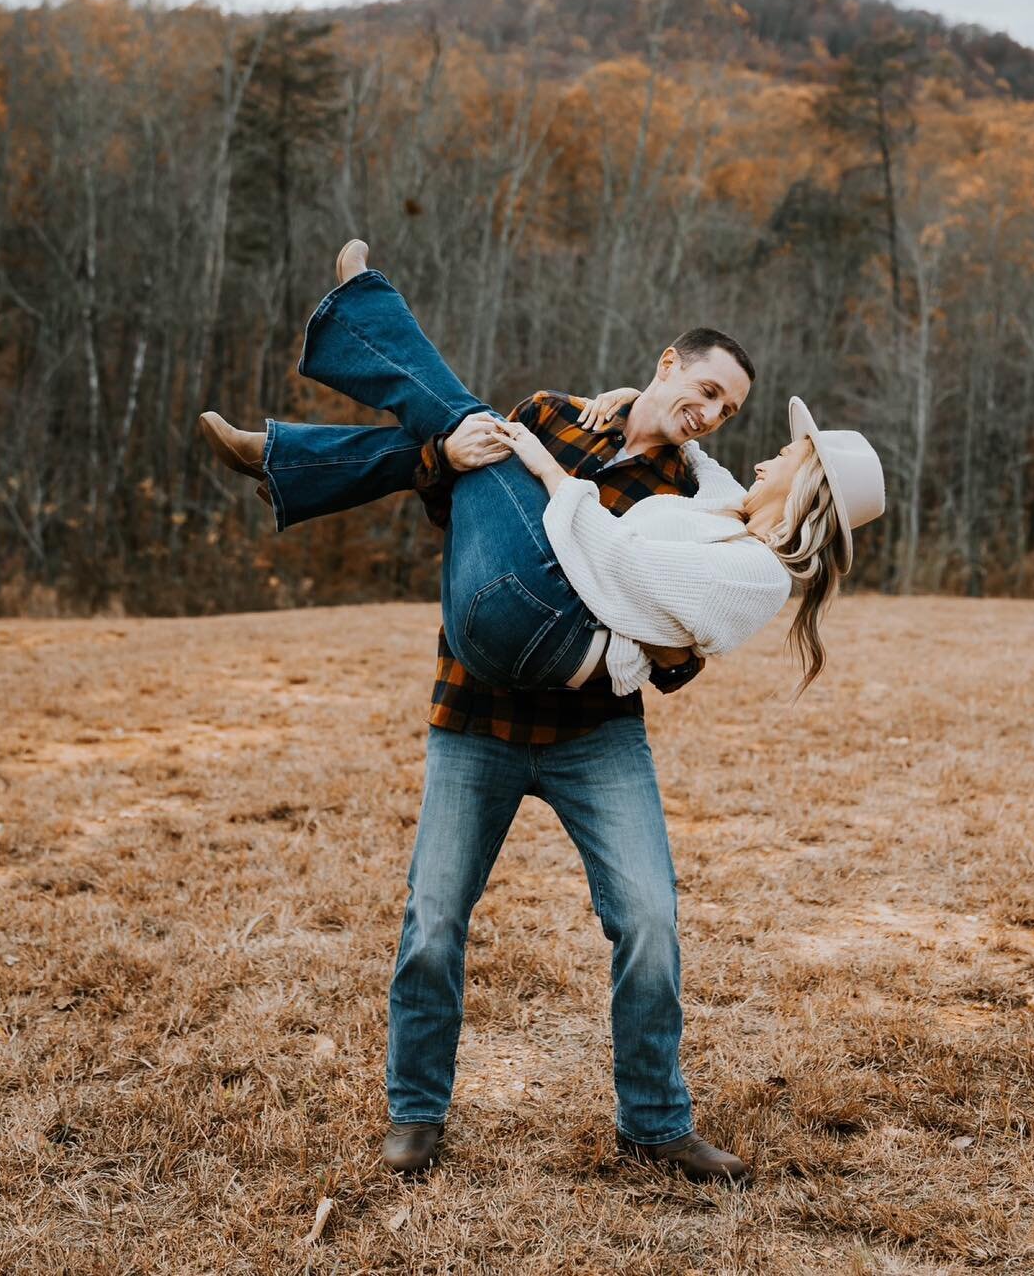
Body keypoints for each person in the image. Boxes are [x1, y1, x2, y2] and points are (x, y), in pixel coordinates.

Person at [200, 241, 885, 1182]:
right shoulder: (555, 415)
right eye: (708, 388)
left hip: (590, 728)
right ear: (666, 365)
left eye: (729, 408)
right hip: (476, 708)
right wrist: (446, 455)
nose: (713, 414)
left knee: (649, 918)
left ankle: (654, 1121)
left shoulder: (697, 491)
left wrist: (641, 640)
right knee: (433, 922)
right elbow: (463, 518)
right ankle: (416, 1115)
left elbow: (683, 652)